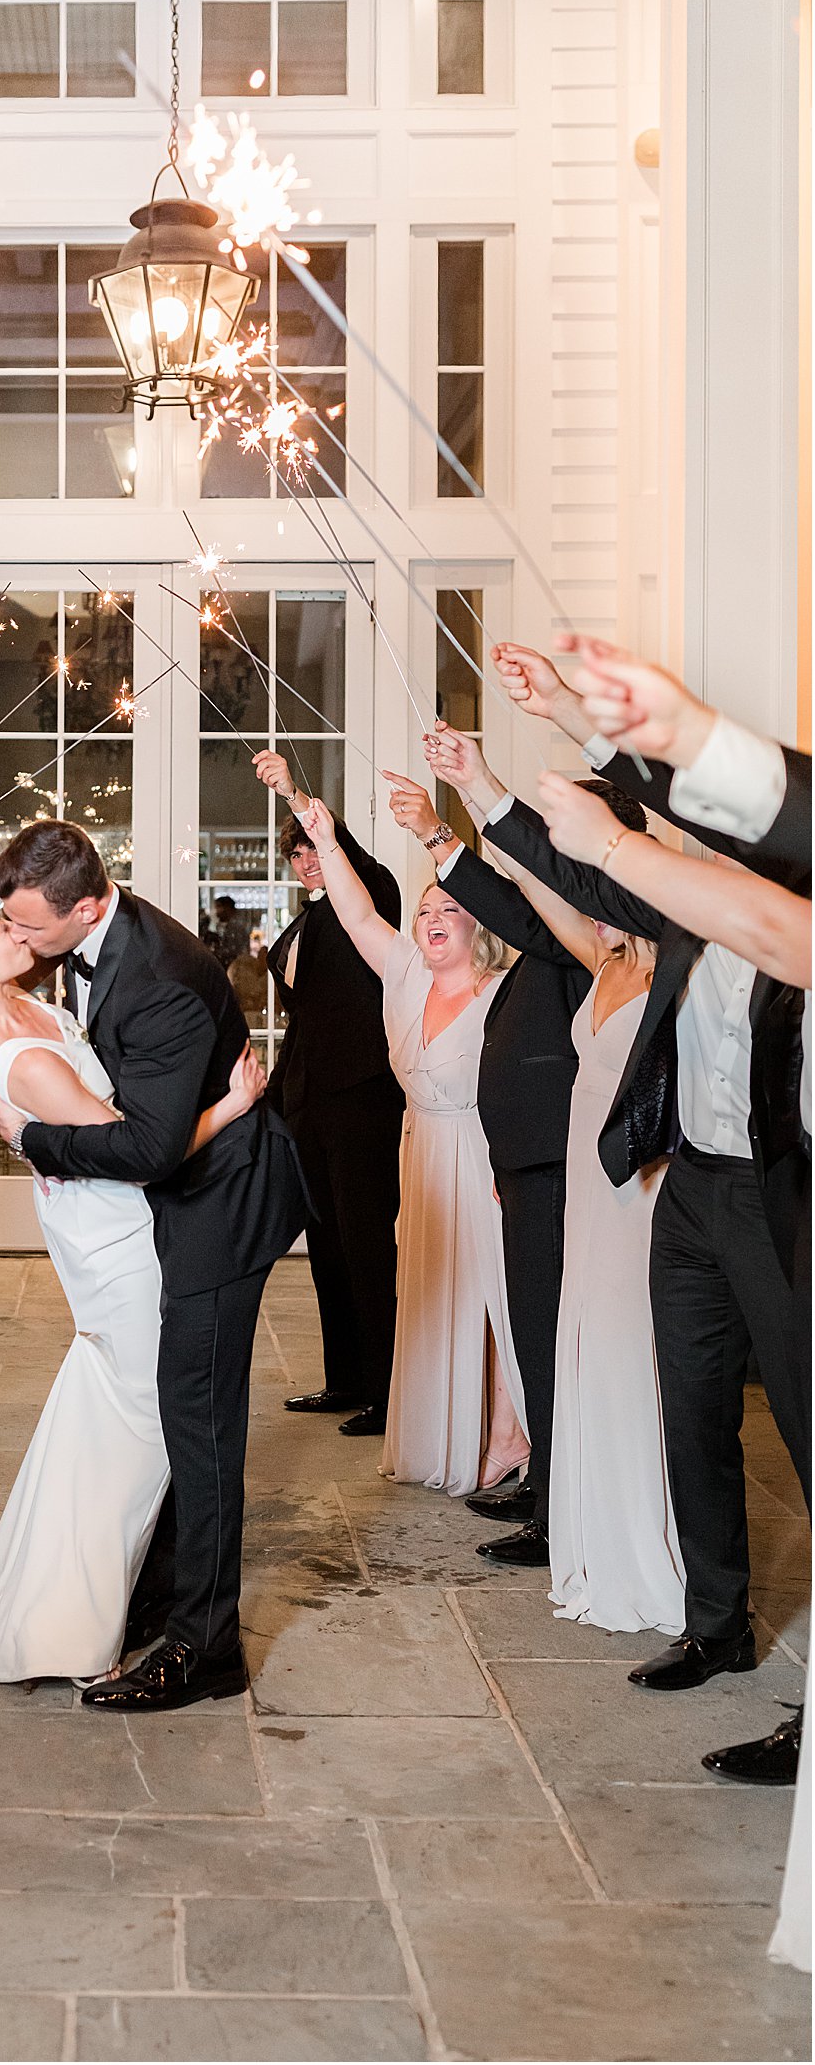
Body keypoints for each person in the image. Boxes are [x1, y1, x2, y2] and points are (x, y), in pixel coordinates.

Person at [430, 692, 808, 1742]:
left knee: (803, 1429)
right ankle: (713, 1625)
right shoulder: (682, 908)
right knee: (690, 1414)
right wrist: (484, 789)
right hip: (688, 1188)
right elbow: (575, 881)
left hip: (779, 1201)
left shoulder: (792, 915)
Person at [0, 821, 308, 1715]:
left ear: (86, 905)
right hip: (185, 1194)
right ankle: (160, 1597)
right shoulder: (88, 942)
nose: (16, 940)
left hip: (220, 1205)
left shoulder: (155, 980)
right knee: (174, 1407)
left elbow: (155, 1148)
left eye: (28, 927)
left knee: (198, 1422)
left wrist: (30, 1139)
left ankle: (208, 1648)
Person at [0, 891, 265, 1682]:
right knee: (145, 1419)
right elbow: (140, 1151)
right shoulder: (20, 1056)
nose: (13, 925)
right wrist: (232, 1103)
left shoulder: (16, 1000)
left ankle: (119, 1592)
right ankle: (72, 1617)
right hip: (118, 1234)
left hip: (107, 1213)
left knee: (116, 1405)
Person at [383, 760, 633, 1571]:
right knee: (535, 1338)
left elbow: (511, 910)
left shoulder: (584, 925)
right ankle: (543, 1487)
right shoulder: (557, 928)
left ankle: (557, 1512)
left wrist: (440, 829)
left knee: (547, 1339)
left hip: (559, 1168)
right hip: (527, 1165)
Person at [295, 795, 526, 1498]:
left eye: (448, 909)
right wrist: (325, 840)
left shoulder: (504, 992)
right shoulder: (402, 974)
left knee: (495, 1302)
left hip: (483, 1159)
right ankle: (442, 1434)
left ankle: (510, 1434)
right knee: (436, 1294)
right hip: (423, 1154)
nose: (430, 919)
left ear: (479, 925)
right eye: (425, 909)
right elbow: (358, 912)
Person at [252, 753, 403, 1433]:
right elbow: (304, 1024)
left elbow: (357, 871)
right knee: (328, 1242)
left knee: (368, 1244)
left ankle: (387, 1389)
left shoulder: (371, 896)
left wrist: (296, 796)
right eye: (298, 853)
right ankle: (345, 1378)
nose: (308, 860)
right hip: (311, 1100)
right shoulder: (301, 925)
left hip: (365, 1095)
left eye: (315, 846)